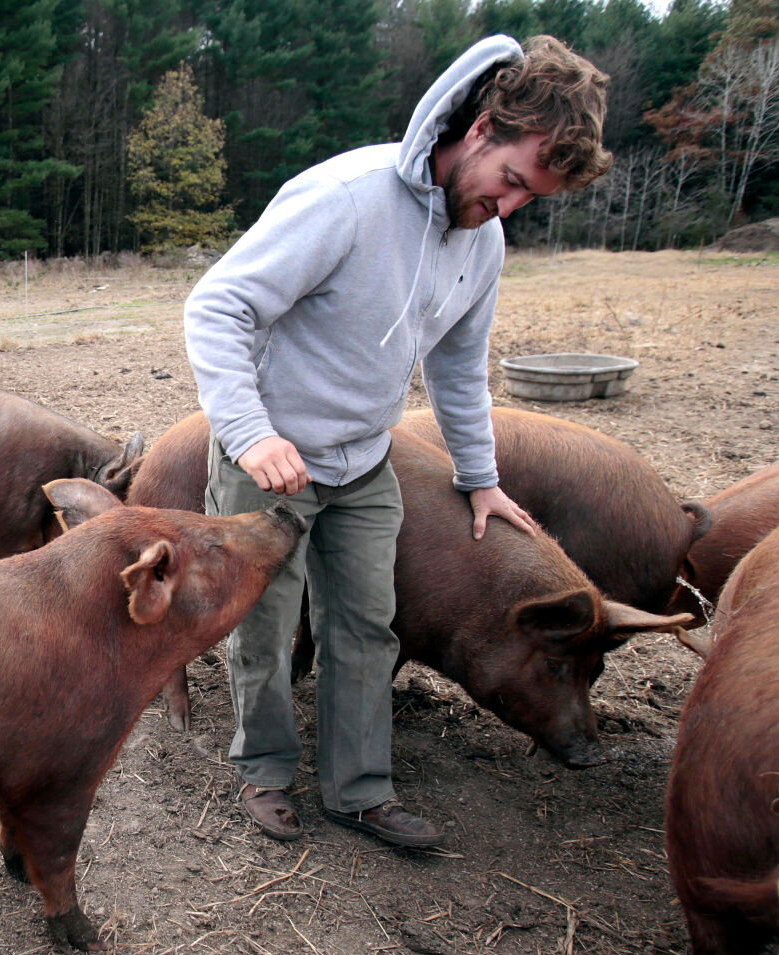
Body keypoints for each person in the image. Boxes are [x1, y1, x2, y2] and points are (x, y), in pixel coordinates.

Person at [184, 34, 612, 848]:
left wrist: (480, 478)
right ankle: (265, 770)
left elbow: (458, 367)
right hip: (269, 460)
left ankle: (358, 790)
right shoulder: (346, 198)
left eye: (530, 198)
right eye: (510, 181)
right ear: (480, 131)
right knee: (263, 624)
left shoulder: (482, 239)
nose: (508, 207)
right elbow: (217, 307)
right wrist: (249, 434)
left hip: (363, 463)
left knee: (365, 628)